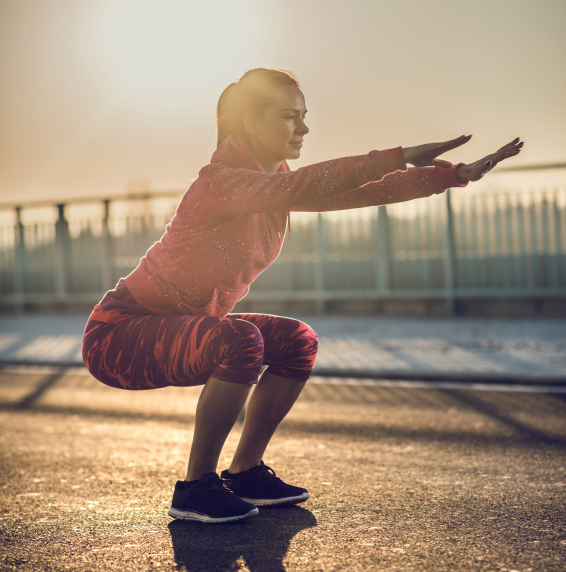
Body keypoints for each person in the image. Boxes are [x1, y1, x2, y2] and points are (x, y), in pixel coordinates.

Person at [81, 68, 523, 523]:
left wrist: (451, 176)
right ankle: (195, 487)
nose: (305, 129)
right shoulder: (222, 183)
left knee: (297, 340)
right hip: (119, 335)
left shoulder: (273, 185)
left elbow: (360, 192)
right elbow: (303, 186)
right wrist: (400, 154)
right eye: (291, 117)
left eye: (305, 116)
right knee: (241, 339)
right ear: (252, 123)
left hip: (181, 328)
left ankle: (246, 472)